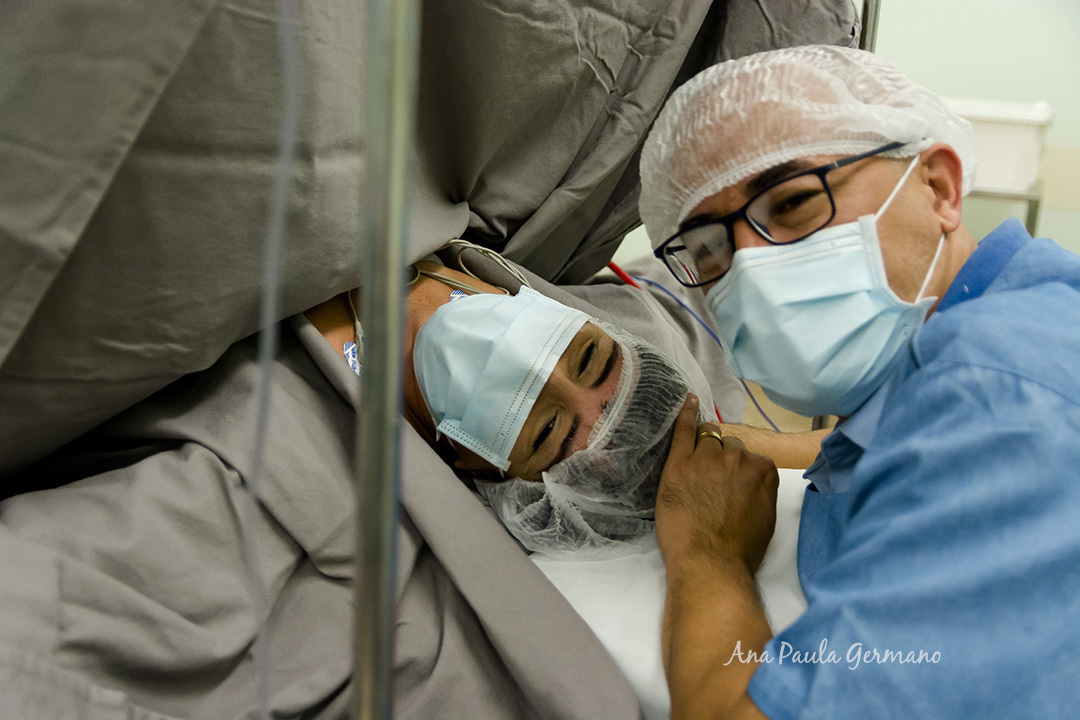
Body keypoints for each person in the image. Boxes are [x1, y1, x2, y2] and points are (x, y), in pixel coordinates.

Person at [637, 45, 1080, 719]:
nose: (753, 270)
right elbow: (912, 443)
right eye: (709, 248)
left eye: (792, 204)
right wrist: (755, 444)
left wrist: (707, 554)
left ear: (939, 188)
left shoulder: (999, 390)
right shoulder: (1010, 323)